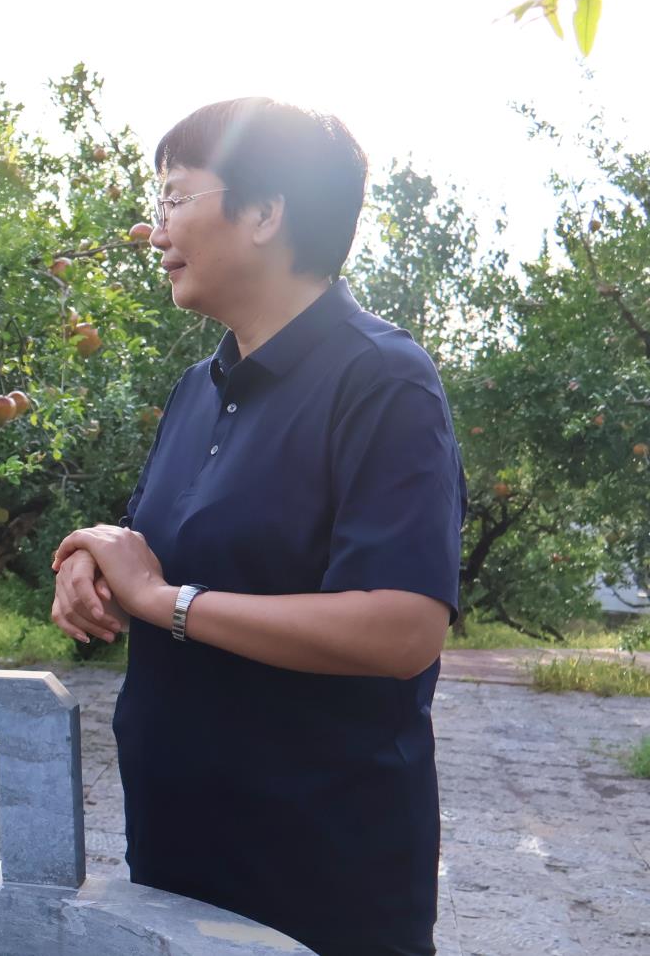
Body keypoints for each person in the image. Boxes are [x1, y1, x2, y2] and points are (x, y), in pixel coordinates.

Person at [49, 98, 460, 955]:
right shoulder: (196, 388)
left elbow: (402, 626)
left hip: (320, 871)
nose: (153, 228)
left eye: (175, 197)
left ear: (267, 211)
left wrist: (167, 601)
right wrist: (95, 559)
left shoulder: (382, 380)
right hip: (177, 850)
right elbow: (162, 549)